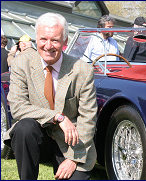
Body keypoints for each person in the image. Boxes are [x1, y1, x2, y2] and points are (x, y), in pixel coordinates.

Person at [4, 12, 98, 180]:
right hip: (35, 137)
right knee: (24, 128)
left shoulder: (82, 70)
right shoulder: (21, 63)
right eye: (43, 39)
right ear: (36, 39)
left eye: (54, 40)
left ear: (65, 42)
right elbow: (18, 107)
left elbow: (88, 119)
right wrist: (57, 117)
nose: (48, 46)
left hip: (71, 143)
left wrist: (73, 160)